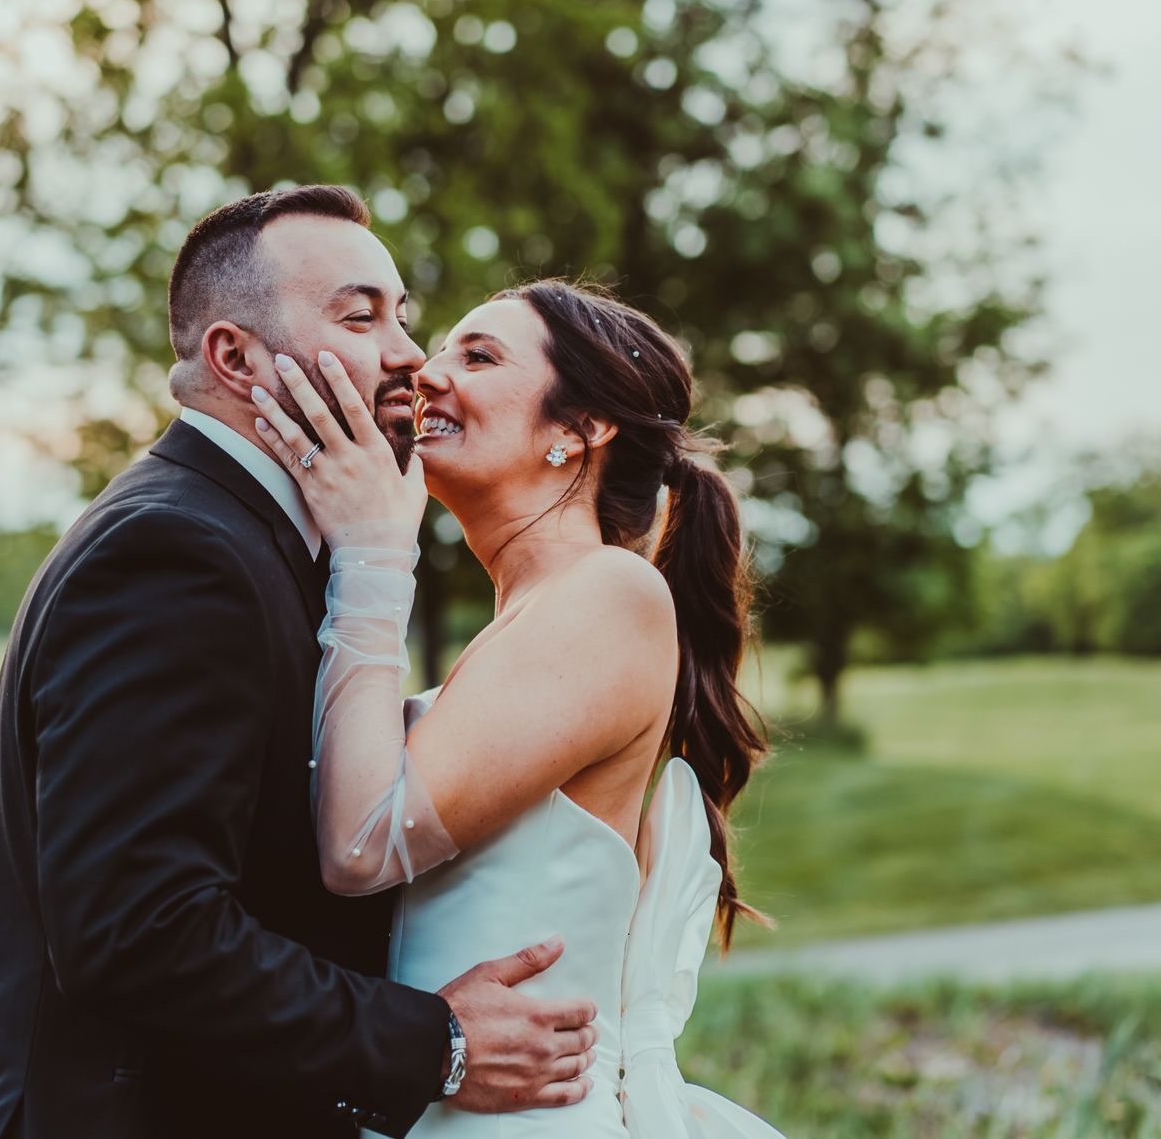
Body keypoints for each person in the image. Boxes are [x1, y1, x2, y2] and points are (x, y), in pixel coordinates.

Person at [0, 187, 598, 1139]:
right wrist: (435, 1042)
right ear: (234, 357)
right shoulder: (174, 551)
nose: (409, 353)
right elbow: (140, 930)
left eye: (401, 315)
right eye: (360, 315)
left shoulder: (249, 543)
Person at [248, 279, 790, 1136]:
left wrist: (374, 552)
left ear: (578, 432)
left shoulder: (611, 594)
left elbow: (362, 846)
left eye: (479, 355)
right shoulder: (529, 622)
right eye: (442, 348)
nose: (426, 373)